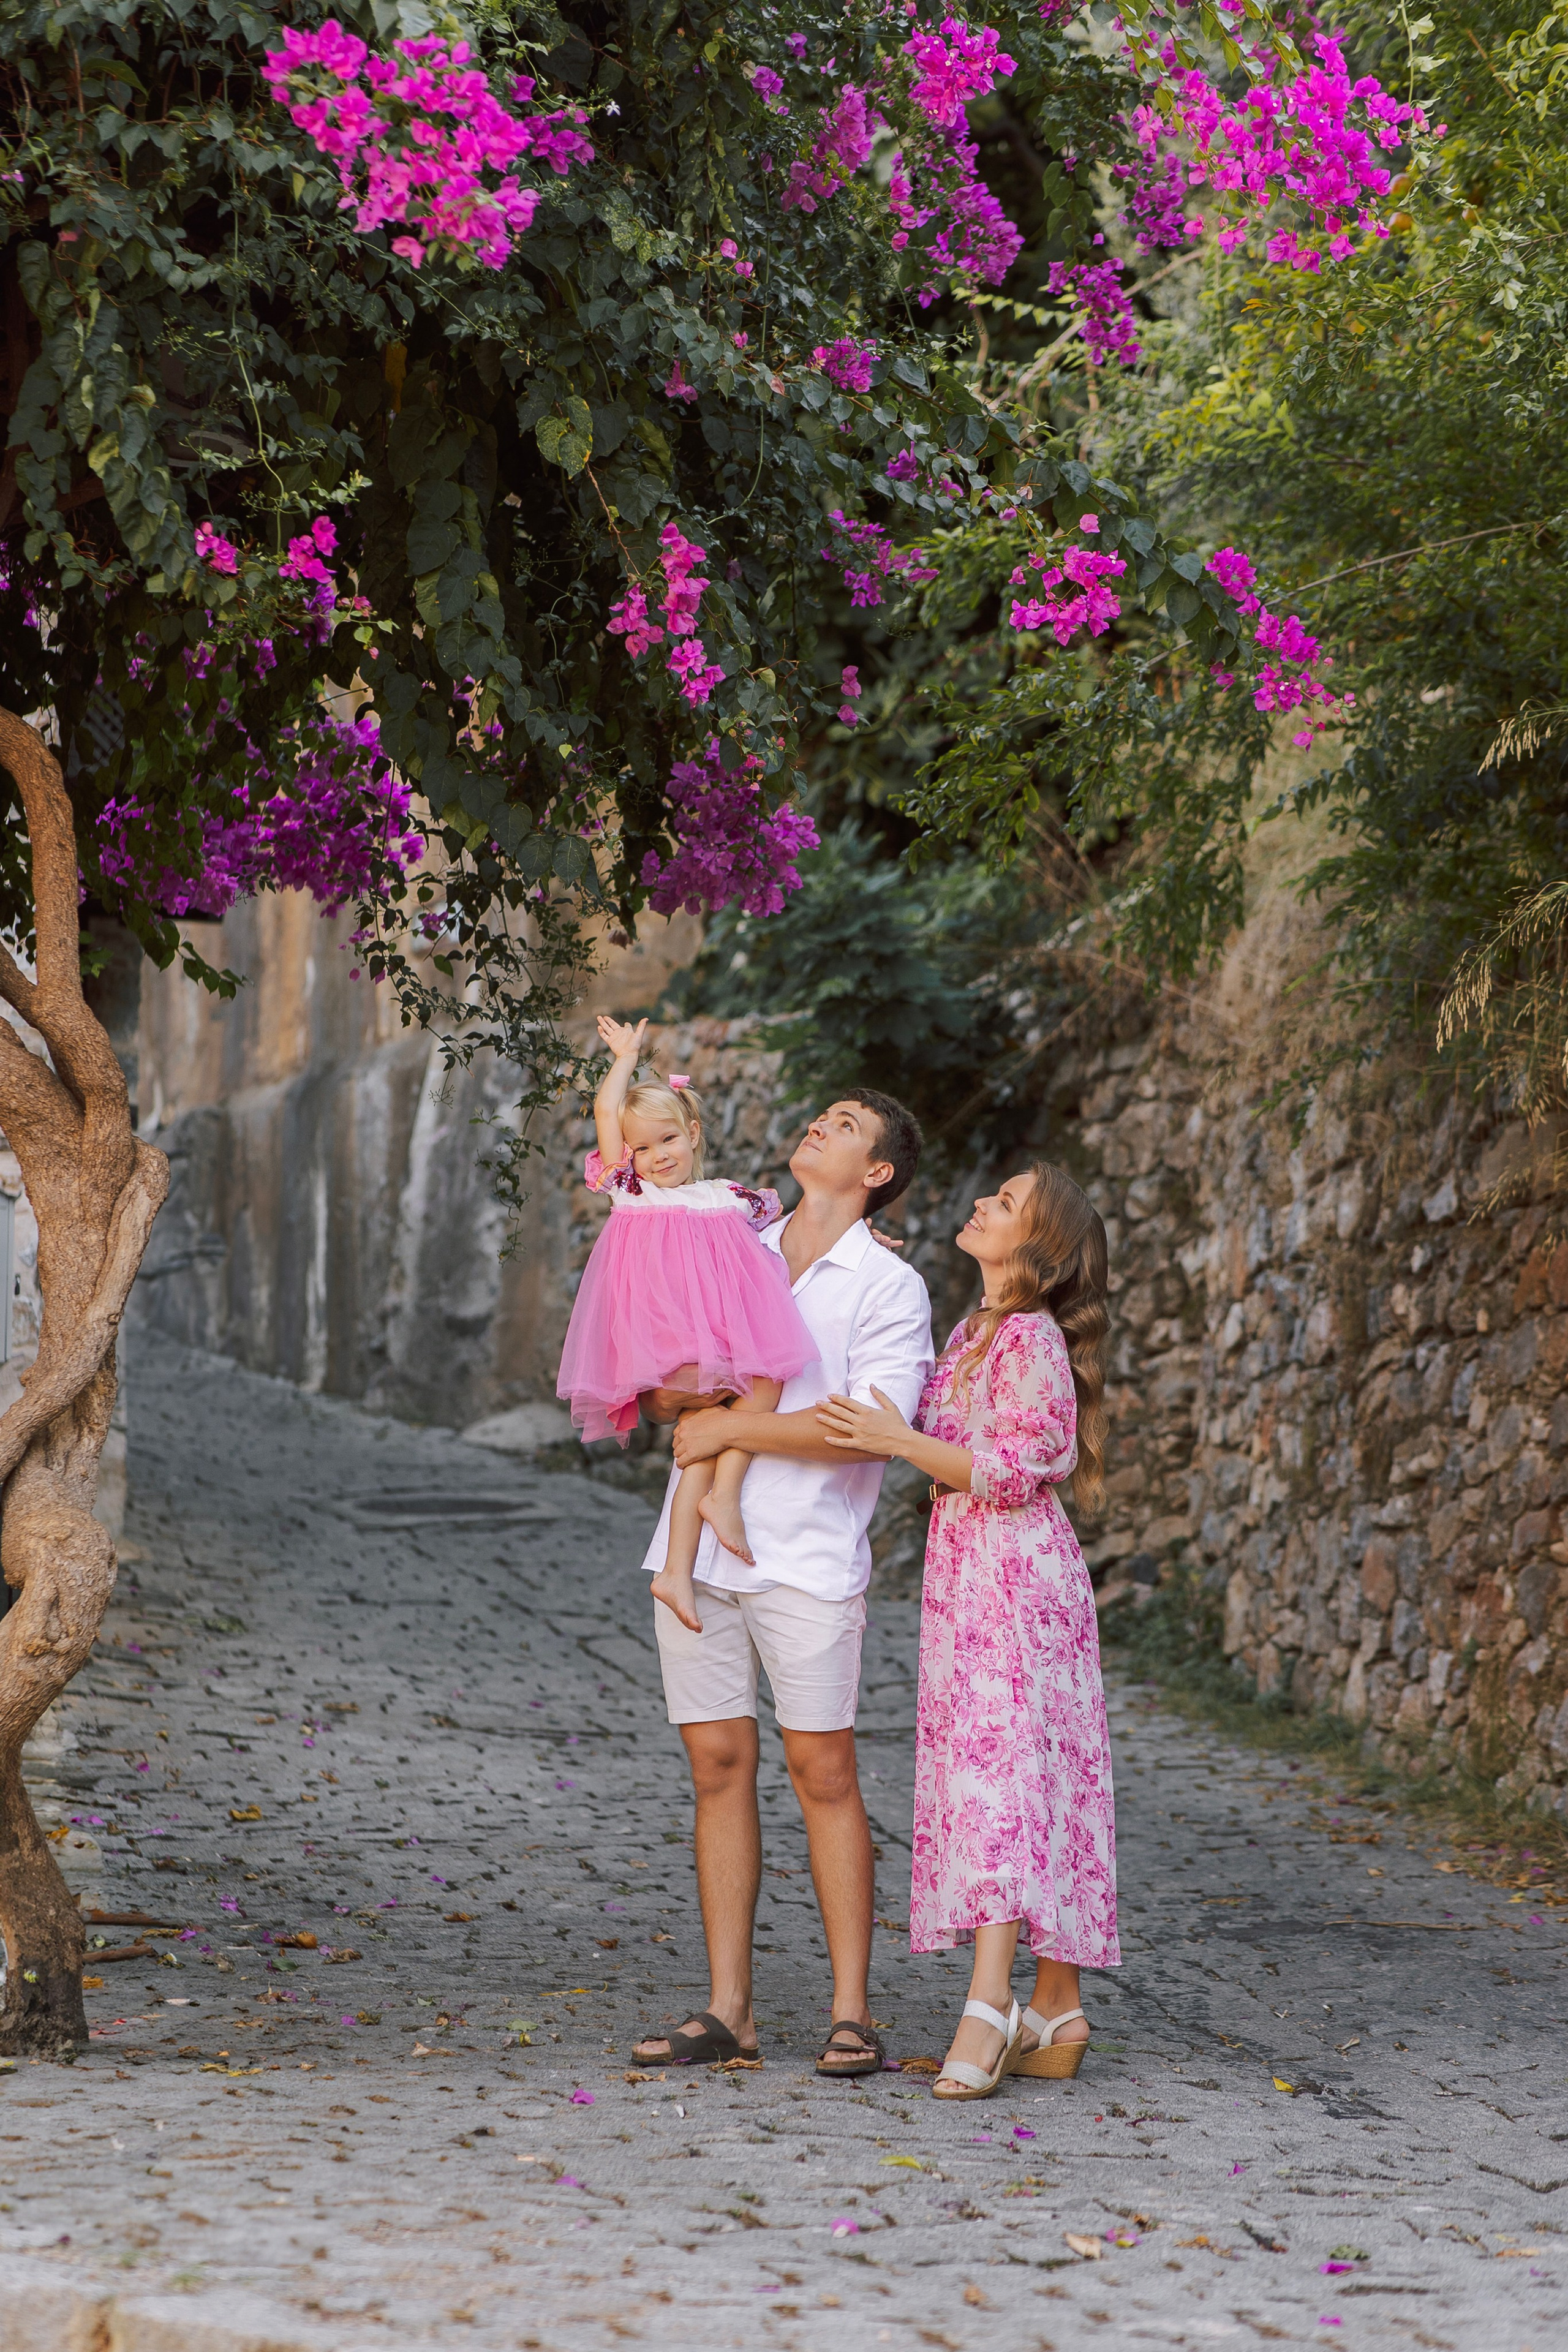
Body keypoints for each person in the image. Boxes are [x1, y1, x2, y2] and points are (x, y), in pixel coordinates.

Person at [628, 1091, 933, 2078]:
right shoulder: (735, 1238)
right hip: (700, 1553)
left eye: (847, 1126)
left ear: (877, 1173)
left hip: (806, 1554)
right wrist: (695, 1405)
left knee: (824, 1774)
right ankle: (730, 2010)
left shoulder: (890, 1287)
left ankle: (852, 2011)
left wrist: (730, 1426)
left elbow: (868, 1426)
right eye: (824, 1115)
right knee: (715, 1767)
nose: (821, 1126)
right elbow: (667, 1384)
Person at [818, 1161, 1118, 2100]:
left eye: (1007, 1201)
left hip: (1019, 1578)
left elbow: (1016, 1469)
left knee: (1005, 1784)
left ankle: (990, 2004)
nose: (983, 1202)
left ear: (1038, 1242)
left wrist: (901, 1446)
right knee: (1026, 1783)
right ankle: (1057, 2009)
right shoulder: (974, 1331)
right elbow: (931, 1435)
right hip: (969, 1579)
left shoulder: (1031, 1336)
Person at [556, 1016, 818, 1632]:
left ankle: (679, 1563)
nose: (655, 1157)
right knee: (730, 1398)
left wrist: (864, 1234)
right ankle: (718, 1505)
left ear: (694, 1133)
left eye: (666, 1141)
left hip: (724, 1336)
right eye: (640, 1148)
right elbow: (605, 1105)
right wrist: (625, 1057)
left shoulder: (728, 1196)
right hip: (667, 1339)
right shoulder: (633, 1191)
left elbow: (788, 1238)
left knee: (737, 1403)